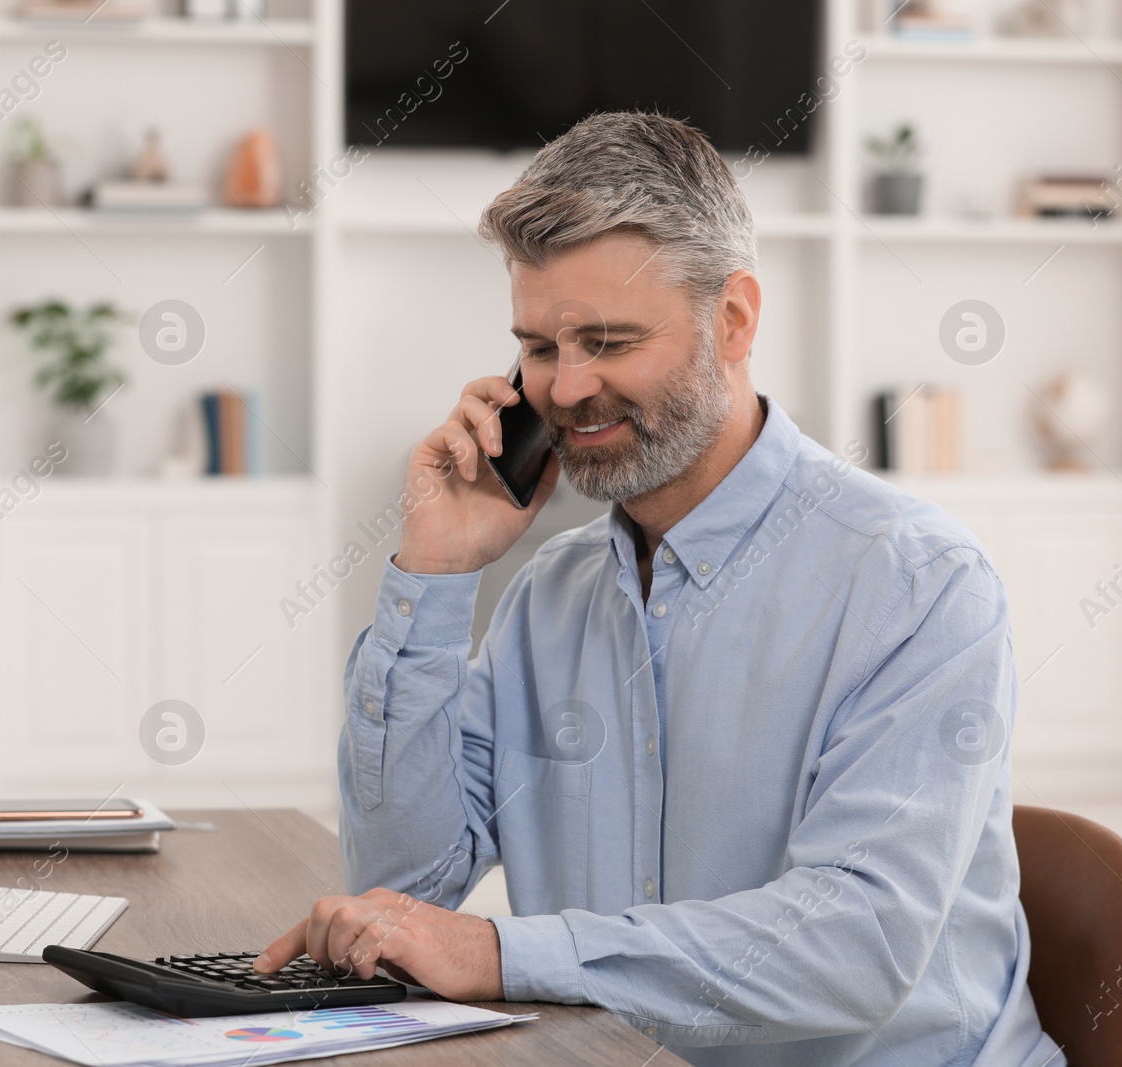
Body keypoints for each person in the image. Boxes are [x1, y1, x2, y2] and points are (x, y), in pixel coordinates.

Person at [253, 111, 1063, 1066]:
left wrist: (504, 951)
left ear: (733, 319)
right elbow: (404, 883)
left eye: (606, 339)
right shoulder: (549, 598)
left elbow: (859, 945)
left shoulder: (917, 583)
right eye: (541, 348)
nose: (563, 390)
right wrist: (434, 572)